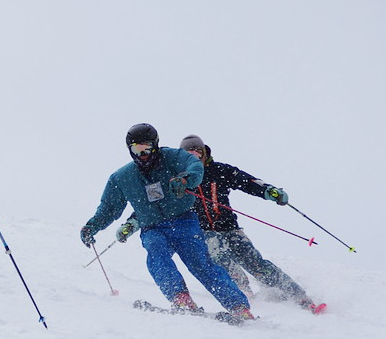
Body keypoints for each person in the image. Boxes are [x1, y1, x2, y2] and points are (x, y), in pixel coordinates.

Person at [120, 134, 325, 314]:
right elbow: (149, 207)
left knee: (255, 262)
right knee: (217, 254)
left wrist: (269, 191)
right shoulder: (174, 178)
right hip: (201, 231)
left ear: (204, 152)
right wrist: (131, 223)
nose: (194, 154)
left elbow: (247, 182)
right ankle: (243, 294)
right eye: (188, 151)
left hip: (230, 228)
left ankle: (299, 296)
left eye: (197, 150)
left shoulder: (220, 171)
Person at [80, 123, 255, 322]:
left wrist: (185, 179)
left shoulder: (172, 158)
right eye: (136, 149)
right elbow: (109, 207)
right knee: (156, 253)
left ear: (156, 145)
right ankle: (180, 298)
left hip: (184, 221)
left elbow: (195, 166)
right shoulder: (122, 177)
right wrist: (91, 226)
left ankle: (238, 306)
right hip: (152, 227)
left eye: (147, 148)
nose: (142, 154)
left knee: (201, 264)